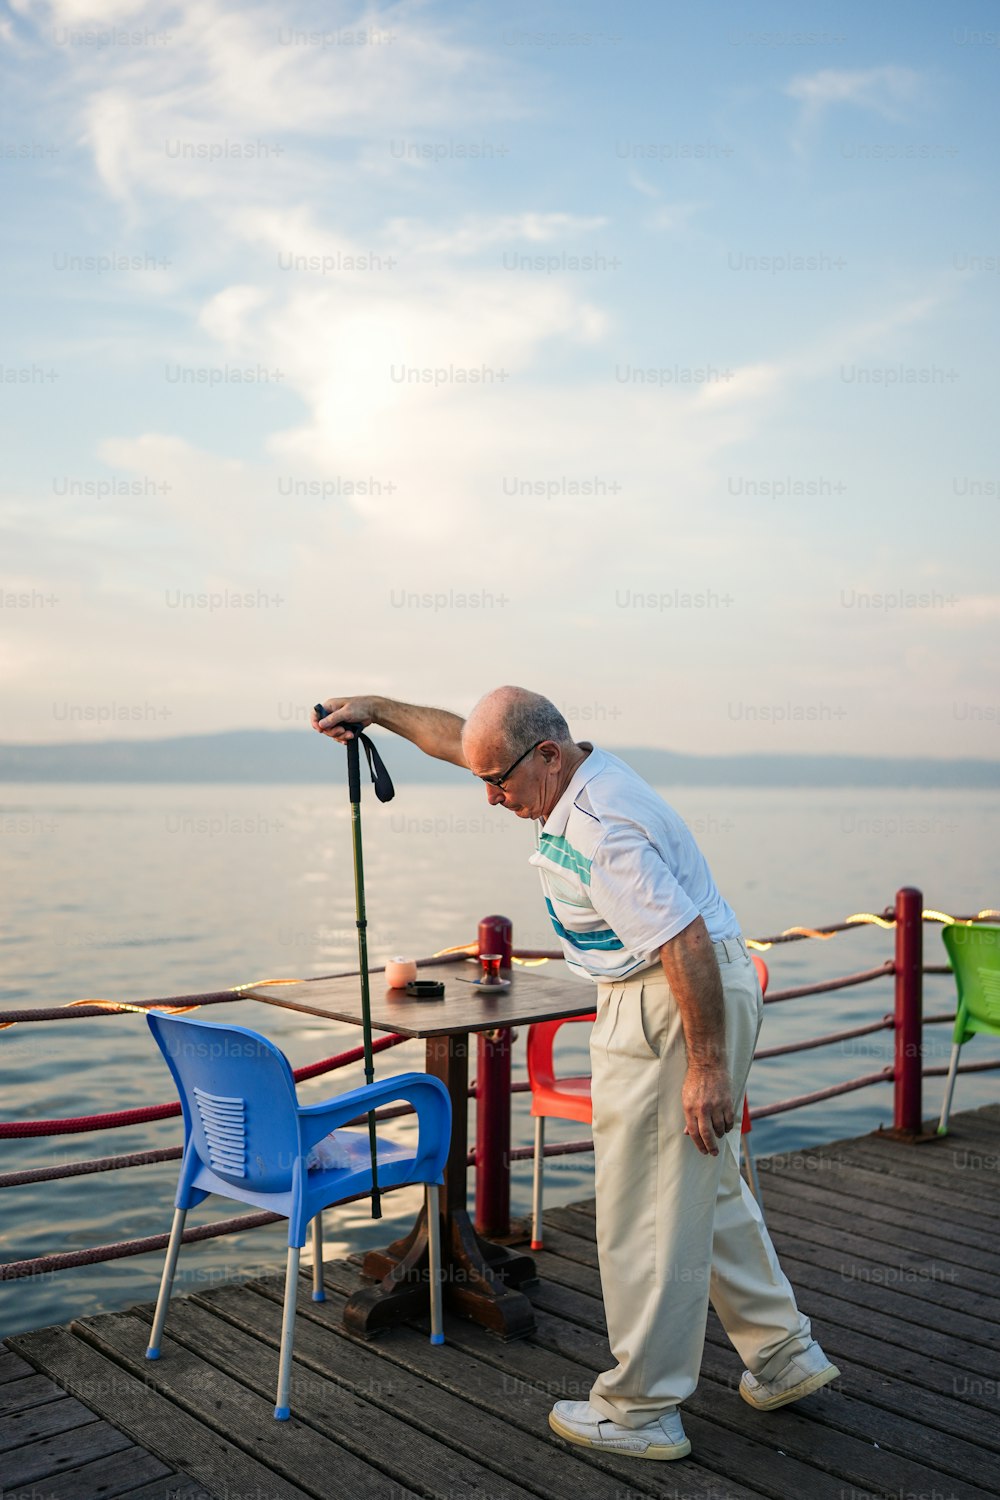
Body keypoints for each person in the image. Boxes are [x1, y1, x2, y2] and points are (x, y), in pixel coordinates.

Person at [313, 686, 838, 1464]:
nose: (491, 798)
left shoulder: (599, 829)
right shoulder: (572, 774)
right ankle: (783, 1355)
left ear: (547, 755)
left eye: (500, 782)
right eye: (483, 779)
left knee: (645, 1209)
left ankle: (641, 1411)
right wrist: (374, 710)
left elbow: (683, 940)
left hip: (671, 998)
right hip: (680, 988)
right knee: (706, 1186)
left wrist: (705, 1069)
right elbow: (460, 738)